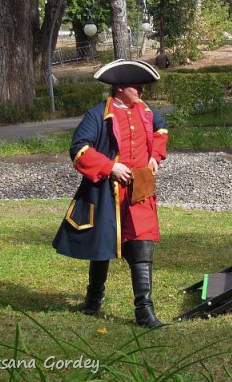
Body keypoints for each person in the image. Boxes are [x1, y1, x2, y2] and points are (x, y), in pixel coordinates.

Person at [52, 59, 169, 328]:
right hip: (106, 191)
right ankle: (93, 300)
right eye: (136, 87)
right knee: (102, 244)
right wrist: (110, 167)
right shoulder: (97, 115)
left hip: (139, 187)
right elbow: (79, 149)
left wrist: (155, 156)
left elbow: (161, 131)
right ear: (119, 88)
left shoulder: (147, 111)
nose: (141, 91)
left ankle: (144, 311)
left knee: (142, 243)